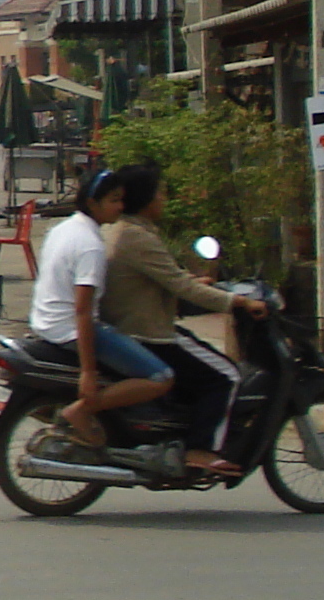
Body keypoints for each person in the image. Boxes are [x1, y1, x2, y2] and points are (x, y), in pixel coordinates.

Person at [100, 161, 264, 476]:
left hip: (130, 328)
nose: (165, 199)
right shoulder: (136, 237)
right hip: (149, 335)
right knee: (227, 376)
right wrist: (238, 301)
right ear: (147, 199)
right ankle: (201, 449)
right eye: (161, 193)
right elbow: (181, 286)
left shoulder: (120, 230)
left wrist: (192, 284)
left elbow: (167, 278)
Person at [25, 165, 175, 455]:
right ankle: (82, 410)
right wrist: (88, 372)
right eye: (114, 200)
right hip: (71, 329)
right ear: (93, 203)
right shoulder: (91, 246)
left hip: (46, 323)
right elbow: (83, 311)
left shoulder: (63, 229)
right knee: (161, 378)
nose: (121, 206)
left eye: (121, 199)